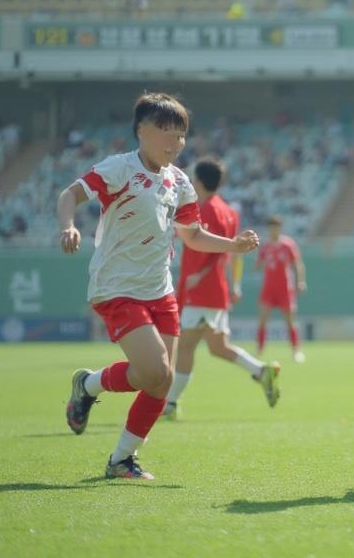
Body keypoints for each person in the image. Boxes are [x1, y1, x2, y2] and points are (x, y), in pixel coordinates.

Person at [59, 93, 259, 480]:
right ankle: (90, 388)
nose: (174, 141)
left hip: (159, 290)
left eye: (180, 133)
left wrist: (233, 246)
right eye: (165, 130)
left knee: (160, 379)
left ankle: (119, 453)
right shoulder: (119, 168)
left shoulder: (179, 181)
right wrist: (68, 225)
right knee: (154, 370)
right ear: (141, 131)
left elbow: (194, 235)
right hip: (117, 286)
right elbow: (71, 194)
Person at [163, 157, 280, 421]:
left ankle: (169, 404)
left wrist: (199, 275)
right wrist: (235, 284)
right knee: (217, 347)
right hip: (215, 288)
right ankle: (261, 371)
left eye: (193, 178)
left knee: (185, 347)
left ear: (200, 182)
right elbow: (234, 251)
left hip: (201, 290)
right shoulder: (228, 210)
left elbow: (215, 250)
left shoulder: (207, 211)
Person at [255, 215, 307, 363]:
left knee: (290, 321)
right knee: (262, 320)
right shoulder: (265, 247)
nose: (274, 230)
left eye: (276, 227)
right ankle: (259, 348)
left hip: (285, 287)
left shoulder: (288, 245)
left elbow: (298, 264)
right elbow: (257, 266)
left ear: (280, 228)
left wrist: (301, 282)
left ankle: (296, 350)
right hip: (268, 288)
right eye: (271, 227)